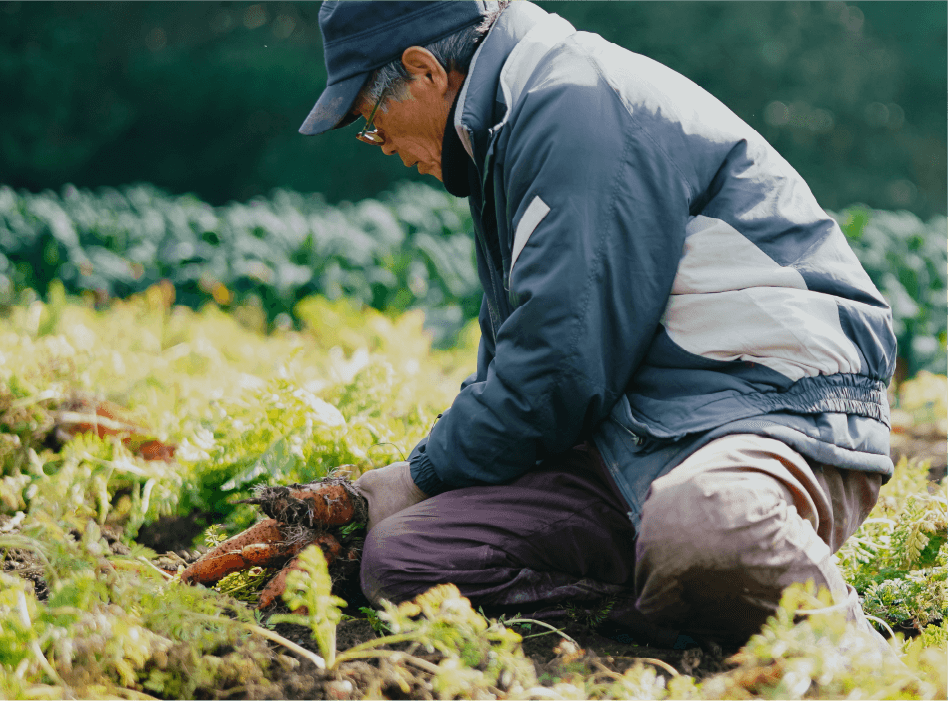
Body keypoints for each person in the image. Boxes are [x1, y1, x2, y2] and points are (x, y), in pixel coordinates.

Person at [298, 0, 897, 650]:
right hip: (636, 431)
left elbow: (556, 368)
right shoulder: (505, 134)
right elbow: (521, 364)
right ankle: (688, 600)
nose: (382, 145)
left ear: (423, 71)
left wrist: (419, 474)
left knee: (702, 524)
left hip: (767, 405)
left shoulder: (573, 109)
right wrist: (396, 502)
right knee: (406, 558)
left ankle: (864, 662)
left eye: (371, 122)